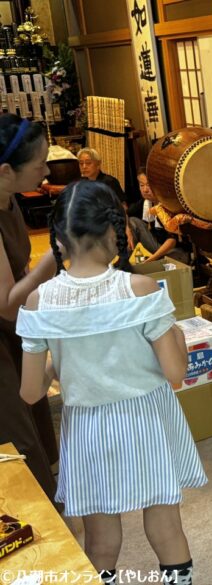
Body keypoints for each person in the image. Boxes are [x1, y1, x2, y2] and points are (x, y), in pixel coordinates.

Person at [17, 180, 206, 585]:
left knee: (101, 541)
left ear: (59, 240)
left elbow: (31, 392)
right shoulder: (139, 289)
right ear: (112, 231)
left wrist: (57, 361)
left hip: (88, 429)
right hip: (147, 421)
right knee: (166, 527)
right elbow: (175, 373)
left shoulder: (38, 302)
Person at [0, 114, 59, 502]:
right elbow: (6, 305)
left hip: (14, 326)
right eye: (39, 164)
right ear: (6, 170)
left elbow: (18, 270)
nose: (47, 169)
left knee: (34, 403)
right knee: (16, 432)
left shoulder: (10, 200)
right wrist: (49, 263)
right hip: (3, 325)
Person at [127, 167, 191, 265]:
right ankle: (127, 262)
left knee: (173, 260)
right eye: (141, 185)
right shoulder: (145, 203)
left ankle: (154, 262)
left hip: (176, 251)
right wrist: (128, 230)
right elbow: (124, 213)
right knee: (131, 222)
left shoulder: (167, 205)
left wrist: (152, 259)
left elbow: (172, 241)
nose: (145, 190)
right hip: (157, 248)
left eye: (148, 185)